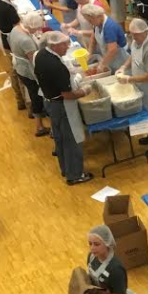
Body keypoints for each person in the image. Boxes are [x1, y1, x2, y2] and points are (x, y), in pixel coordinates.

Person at [34, 30, 92, 185]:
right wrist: (85, 90)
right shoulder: (56, 66)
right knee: (71, 140)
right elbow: (68, 94)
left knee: (60, 139)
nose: (68, 47)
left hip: (50, 102)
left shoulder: (40, 55)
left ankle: (66, 168)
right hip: (62, 106)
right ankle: (75, 175)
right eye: (65, 44)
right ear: (55, 45)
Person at [118, 17, 148, 154]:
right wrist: (124, 67)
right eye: (132, 34)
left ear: (145, 32)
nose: (133, 37)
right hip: (141, 83)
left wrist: (129, 79)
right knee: (147, 114)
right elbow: (133, 55)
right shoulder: (137, 41)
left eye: (136, 34)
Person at [9, 12, 52, 138]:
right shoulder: (26, 40)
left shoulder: (15, 29)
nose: (38, 30)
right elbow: (35, 61)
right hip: (28, 72)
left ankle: (36, 115)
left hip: (19, 68)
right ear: (31, 26)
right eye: (37, 28)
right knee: (37, 96)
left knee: (33, 94)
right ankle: (39, 126)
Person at [0, 0, 27, 112]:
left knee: (13, 70)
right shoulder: (7, 8)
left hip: (6, 37)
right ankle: (24, 100)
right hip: (11, 41)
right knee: (18, 71)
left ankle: (19, 99)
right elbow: (18, 26)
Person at [81, 3, 129, 74]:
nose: (90, 23)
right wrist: (89, 53)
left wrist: (102, 64)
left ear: (98, 16)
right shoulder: (97, 24)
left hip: (120, 59)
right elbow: (93, 38)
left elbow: (112, 50)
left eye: (90, 21)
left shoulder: (109, 27)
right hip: (110, 58)